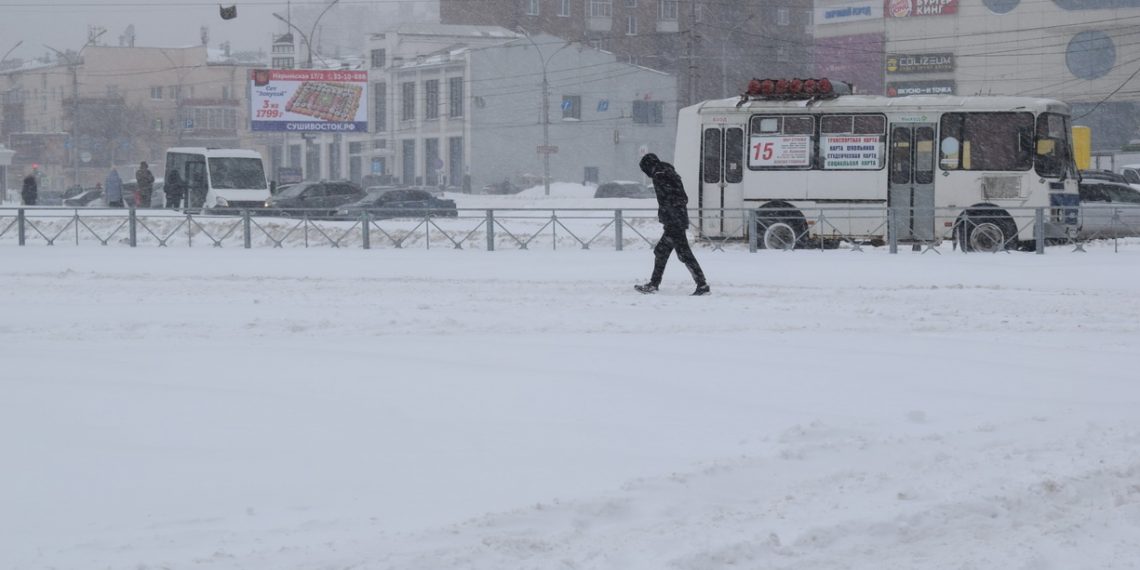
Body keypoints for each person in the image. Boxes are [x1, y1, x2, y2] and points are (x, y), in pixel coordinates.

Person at [635, 153, 709, 296]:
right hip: (676, 220)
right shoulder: (668, 172)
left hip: (674, 222)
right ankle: (654, 284)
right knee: (661, 252)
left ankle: (702, 284)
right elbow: (681, 197)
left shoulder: (660, 175)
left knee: (684, 254)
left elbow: (671, 198)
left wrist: (670, 216)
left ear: (647, 166)